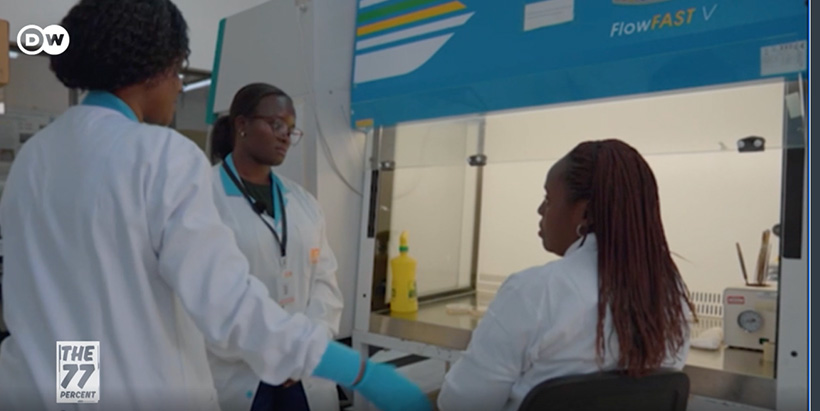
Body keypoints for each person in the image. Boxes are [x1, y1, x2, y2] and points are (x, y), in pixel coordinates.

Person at [0, 1, 430, 411]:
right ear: (152, 68)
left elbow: (65, 306)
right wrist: (355, 369)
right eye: (177, 71)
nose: (178, 86)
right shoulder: (159, 154)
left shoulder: (36, 156)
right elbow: (226, 302)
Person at [437, 139, 694, 411]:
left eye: (548, 199)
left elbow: (460, 404)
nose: (540, 210)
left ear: (584, 213)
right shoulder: (672, 297)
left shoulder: (533, 291)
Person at [207, 83, 343, 411]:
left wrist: (304, 346)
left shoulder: (304, 202)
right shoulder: (202, 197)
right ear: (242, 125)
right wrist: (267, 350)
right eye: (276, 124)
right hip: (238, 371)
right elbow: (205, 292)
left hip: (301, 372)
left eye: (291, 130)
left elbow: (325, 284)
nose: (285, 137)